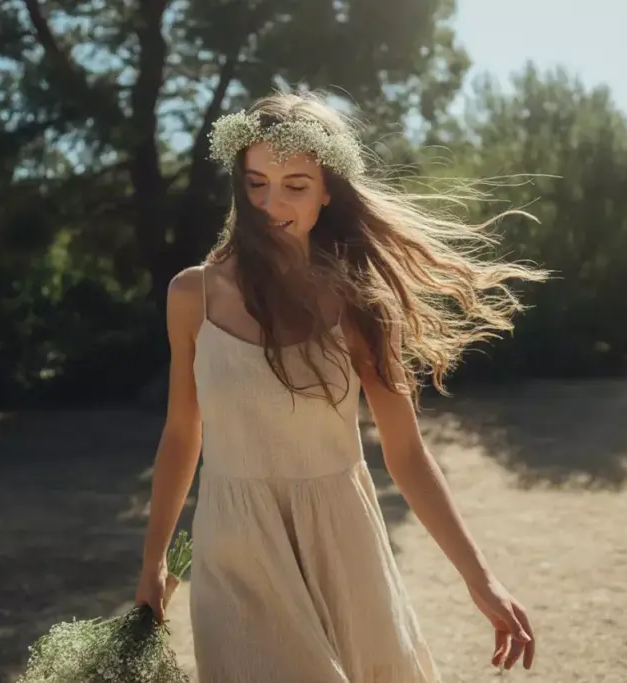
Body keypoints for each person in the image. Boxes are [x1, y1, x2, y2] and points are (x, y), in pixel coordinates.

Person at [134, 90, 547, 682]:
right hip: (234, 546)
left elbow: (406, 453)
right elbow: (182, 434)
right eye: (256, 183)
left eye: (295, 185)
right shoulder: (190, 296)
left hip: (342, 542)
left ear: (328, 190)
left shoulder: (359, 306)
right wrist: (155, 559)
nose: (271, 203)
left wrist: (479, 578)